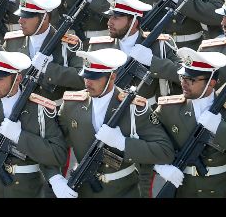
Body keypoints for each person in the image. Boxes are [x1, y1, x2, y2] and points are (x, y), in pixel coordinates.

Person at [55, 47, 175, 198]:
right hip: (84, 190)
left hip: (123, 191)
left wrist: (123, 143)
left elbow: (164, 151)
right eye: (86, 76)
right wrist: (54, 178)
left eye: (94, 78)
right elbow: (55, 145)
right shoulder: (71, 105)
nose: (88, 82)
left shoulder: (133, 108)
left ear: (112, 77)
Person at [153, 47, 226, 197]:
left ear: (211, 83)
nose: (184, 83)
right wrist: (160, 166)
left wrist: (219, 127)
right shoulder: (168, 109)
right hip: (186, 189)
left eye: (191, 79)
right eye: (182, 77)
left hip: (225, 190)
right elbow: (147, 138)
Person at [0, 48, 68, 198]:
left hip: (29, 189)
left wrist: (20, 136)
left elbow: (58, 155)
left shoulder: (39, 109)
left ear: (18, 79)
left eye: (0, 78)